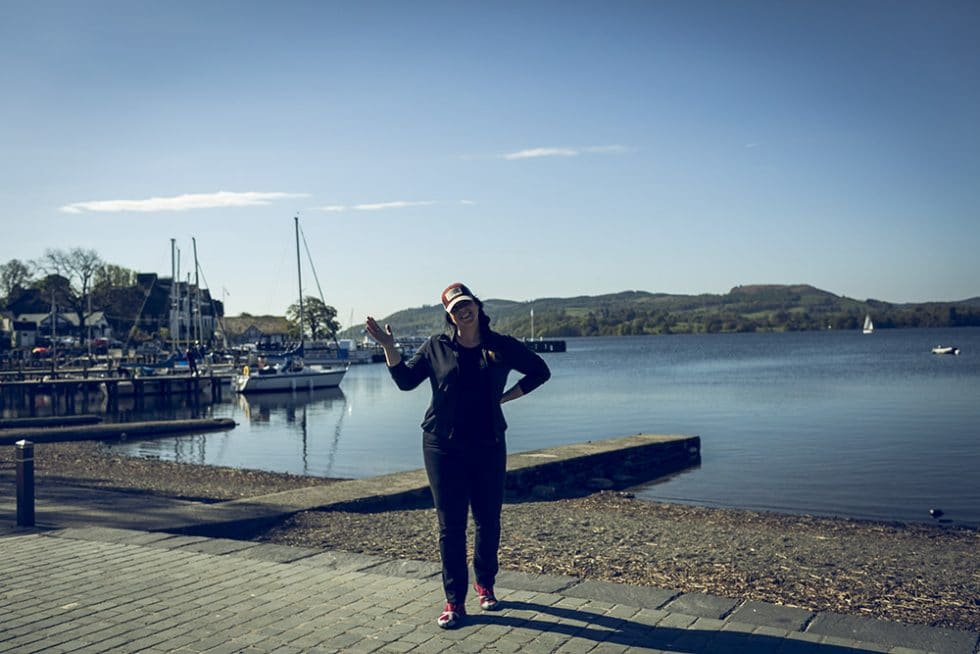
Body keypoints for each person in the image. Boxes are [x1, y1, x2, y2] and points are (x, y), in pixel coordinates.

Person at [365, 282, 550, 629]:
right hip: (442, 444)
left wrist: (506, 398)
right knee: (450, 526)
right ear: (449, 315)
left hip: (488, 442)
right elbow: (405, 381)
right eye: (455, 308)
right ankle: (454, 602)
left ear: (477, 306)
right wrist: (390, 348)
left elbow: (541, 372)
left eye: (467, 304)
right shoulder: (437, 347)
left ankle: (486, 584)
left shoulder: (502, 346)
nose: (463, 311)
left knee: (488, 519)